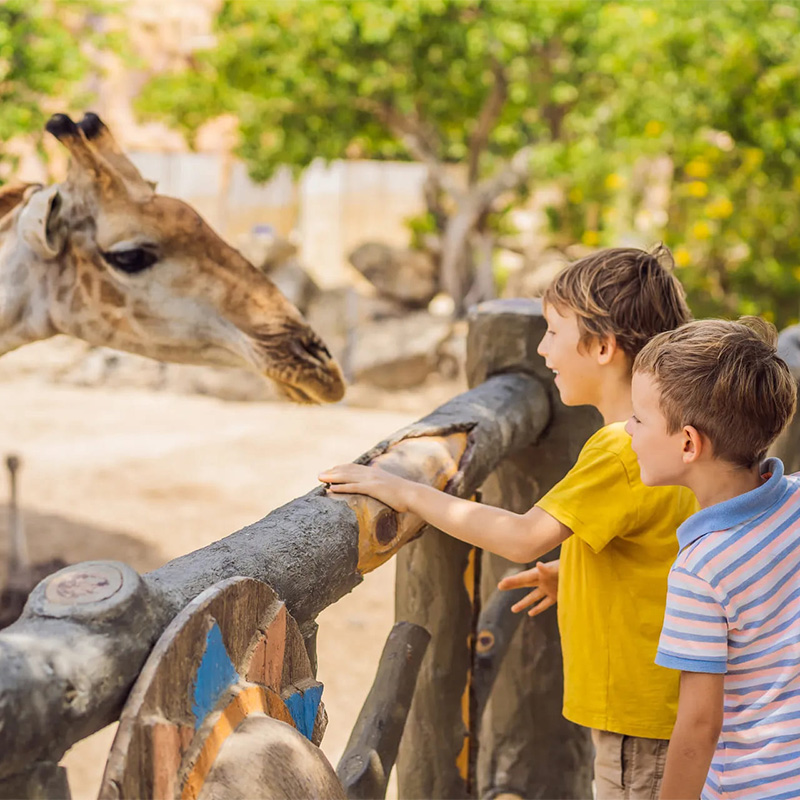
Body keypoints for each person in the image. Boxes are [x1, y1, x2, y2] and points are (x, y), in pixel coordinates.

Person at [319, 246, 697, 799]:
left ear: (602, 347)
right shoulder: (668, 436)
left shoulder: (620, 448)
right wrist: (581, 574)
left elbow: (523, 537)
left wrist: (406, 491)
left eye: (552, 332)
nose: (542, 349)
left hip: (638, 722)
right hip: (663, 704)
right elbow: (663, 544)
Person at [626, 317, 799, 800]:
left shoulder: (700, 571)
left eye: (638, 419)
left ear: (688, 443)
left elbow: (699, 726)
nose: (628, 429)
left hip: (751, 787)